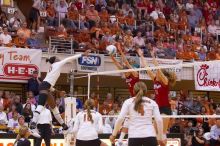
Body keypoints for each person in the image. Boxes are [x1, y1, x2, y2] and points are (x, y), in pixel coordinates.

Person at [31, 50, 89, 132]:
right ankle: (33, 122)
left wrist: (58, 92)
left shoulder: (52, 67)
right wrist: (82, 54)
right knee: (41, 105)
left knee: (54, 107)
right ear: (55, 60)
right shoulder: (57, 64)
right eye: (57, 58)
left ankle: (64, 125)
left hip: (46, 86)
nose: (59, 58)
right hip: (44, 86)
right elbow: (69, 58)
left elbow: (50, 86)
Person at [137, 48, 177, 140]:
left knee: (162, 134)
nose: (156, 73)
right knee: (155, 133)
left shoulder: (165, 81)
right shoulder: (155, 80)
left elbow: (158, 69)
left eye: (158, 73)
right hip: (157, 108)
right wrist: (141, 56)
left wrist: (153, 56)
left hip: (165, 109)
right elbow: (147, 68)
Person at [109, 82, 166, 146]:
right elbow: (159, 120)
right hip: (150, 135)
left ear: (133, 91)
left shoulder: (128, 102)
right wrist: (160, 138)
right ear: (146, 91)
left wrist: (113, 135)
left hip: (134, 136)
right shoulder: (152, 102)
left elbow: (120, 119)